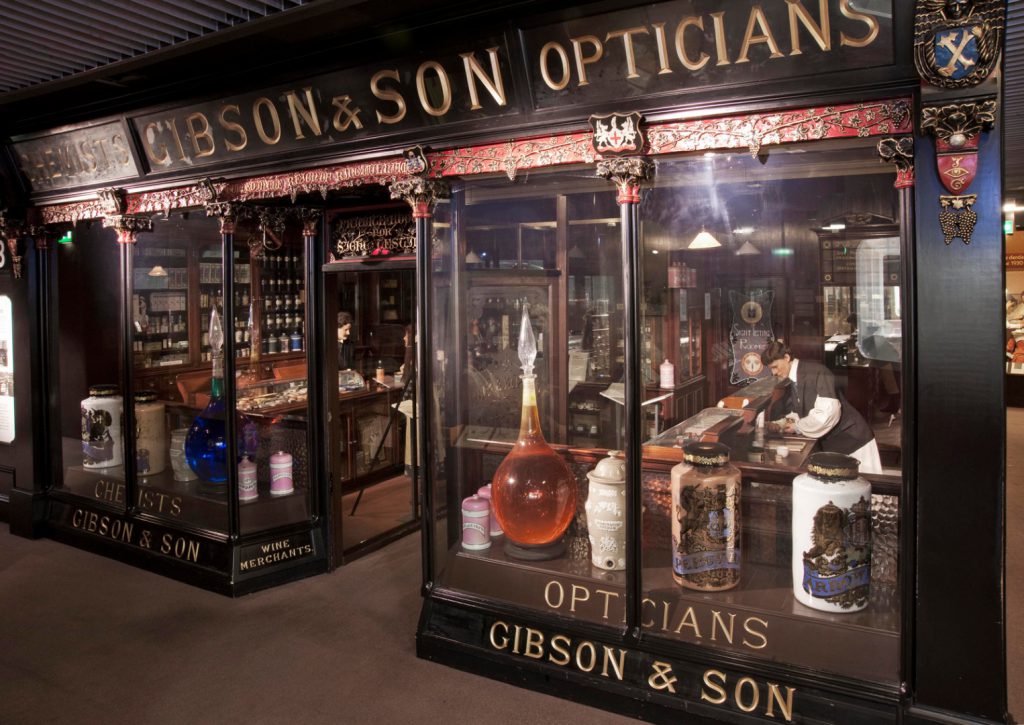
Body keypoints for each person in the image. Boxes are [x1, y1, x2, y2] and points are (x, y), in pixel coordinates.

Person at [761, 340, 882, 473]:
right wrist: (781, 424)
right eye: (771, 368)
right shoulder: (795, 379)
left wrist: (798, 426)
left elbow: (827, 414)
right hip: (838, 443)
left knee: (865, 487)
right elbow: (800, 411)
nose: (774, 372)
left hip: (854, 441)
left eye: (775, 367)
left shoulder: (817, 372)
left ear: (786, 358)